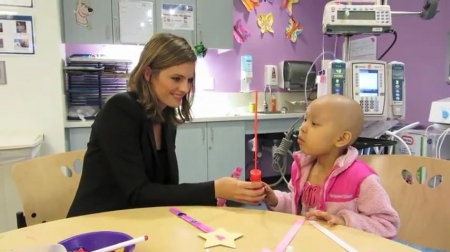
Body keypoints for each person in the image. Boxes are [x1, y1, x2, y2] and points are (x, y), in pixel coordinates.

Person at [67, 33, 266, 217]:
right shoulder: (119, 110)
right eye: (176, 79)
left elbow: (166, 188)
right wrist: (215, 189)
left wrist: (221, 193)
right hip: (96, 225)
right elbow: (138, 193)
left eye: (189, 80)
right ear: (148, 74)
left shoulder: (166, 117)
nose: (185, 88)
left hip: (140, 221)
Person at [263, 94, 400, 238]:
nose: (303, 128)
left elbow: (387, 226)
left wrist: (344, 221)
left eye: (314, 124)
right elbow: (296, 206)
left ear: (341, 138)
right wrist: (275, 200)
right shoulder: (301, 168)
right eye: (305, 120)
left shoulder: (363, 179)